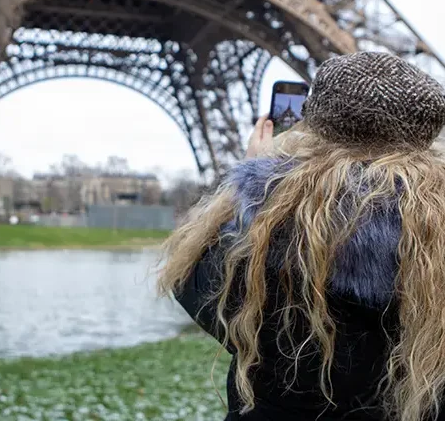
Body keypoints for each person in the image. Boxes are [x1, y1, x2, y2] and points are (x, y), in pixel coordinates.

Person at [158, 52, 445, 421]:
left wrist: (249, 187)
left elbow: (195, 287)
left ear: (314, 123)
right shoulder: (433, 245)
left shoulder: (270, 233)